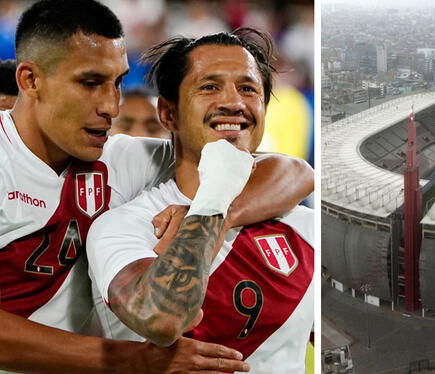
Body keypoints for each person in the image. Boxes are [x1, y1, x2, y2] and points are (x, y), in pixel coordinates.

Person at [0, 1, 312, 373]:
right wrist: (132, 359)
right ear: (30, 80)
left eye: (117, 82)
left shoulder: (120, 158)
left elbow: (291, 170)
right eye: (90, 83)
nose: (112, 106)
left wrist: (216, 215)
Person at [87, 29, 313, 373]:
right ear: (168, 114)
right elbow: (162, 320)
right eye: (209, 87)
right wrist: (215, 192)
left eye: (248, 89)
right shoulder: (124, 226)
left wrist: (215, 211)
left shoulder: (305, 227)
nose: (233, 103)